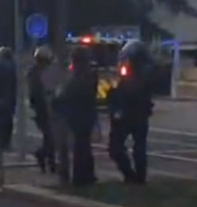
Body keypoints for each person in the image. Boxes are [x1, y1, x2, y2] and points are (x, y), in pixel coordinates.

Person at [107, 40, 154, 184]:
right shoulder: (146, 72)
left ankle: (132, 175)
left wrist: (116, 108)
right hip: (140, 114)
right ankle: (139, 177)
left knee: (116, 147)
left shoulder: (131, 74)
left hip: (126, 114)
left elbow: (121, 93)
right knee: (139, 147)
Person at [57, 46, 99, 186]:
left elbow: (70, 92)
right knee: (84, 145)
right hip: (86, 114)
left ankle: (80, 176)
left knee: (80, 147)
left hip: (77, 114)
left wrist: (61, 97)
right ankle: (87, 174)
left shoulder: (79, 75)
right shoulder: (89, 73)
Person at [28, 46, 57, 173]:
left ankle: (50, 161)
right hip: (44, 108)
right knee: (50, 136)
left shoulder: (37, 72)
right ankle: (44, 156)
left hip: (47, 107)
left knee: (50, 136)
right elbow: (38, 92)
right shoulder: (36, 73)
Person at [0, 46, 17, 150]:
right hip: (11, 97)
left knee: (2, 121)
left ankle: (2, 143)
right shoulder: (12, 65)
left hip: (3, 97)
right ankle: (6, 142)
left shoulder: (1, 67)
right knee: (8, 121)